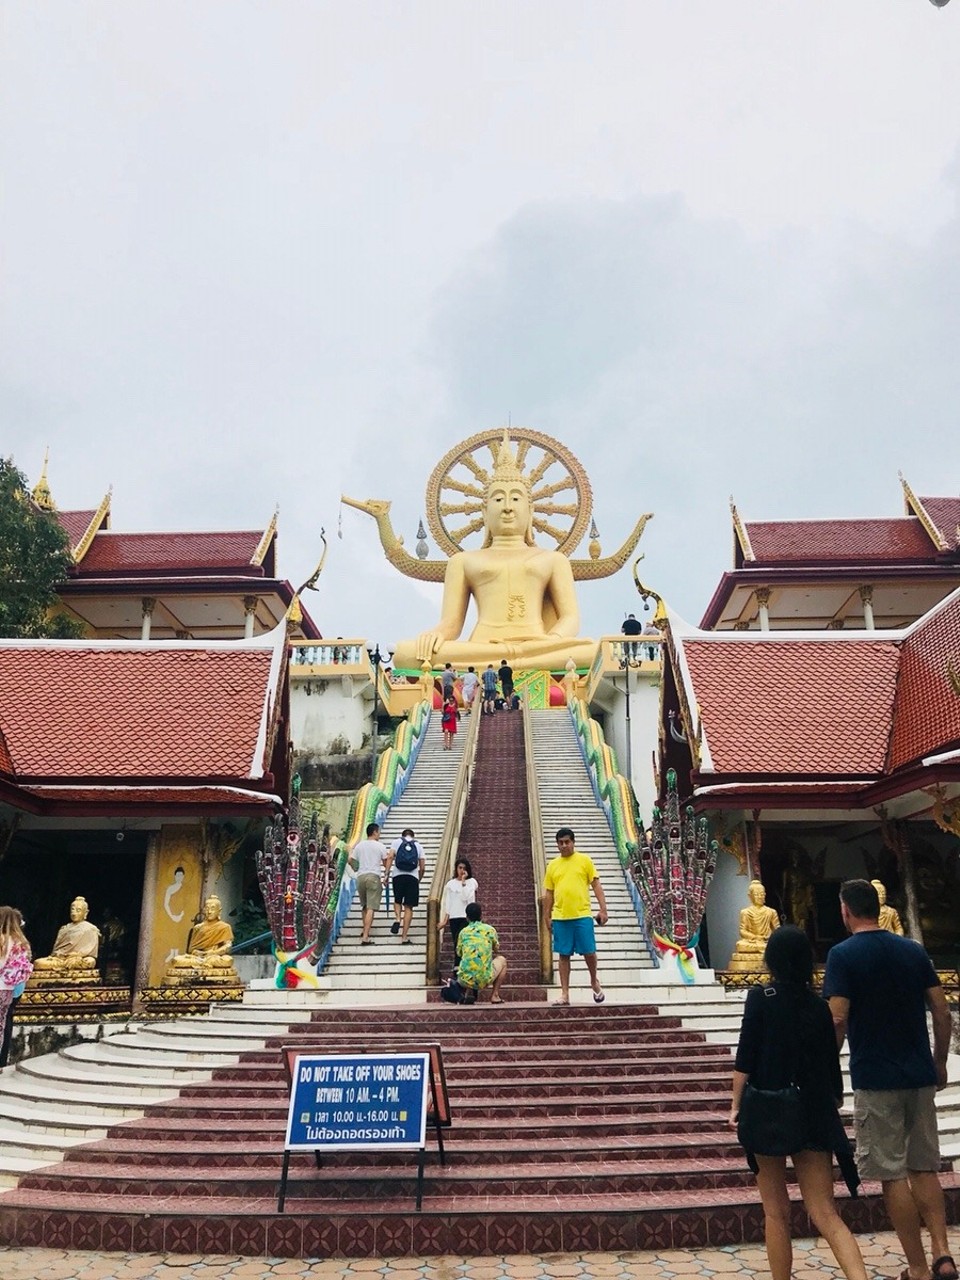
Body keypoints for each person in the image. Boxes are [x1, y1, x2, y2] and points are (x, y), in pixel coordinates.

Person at [825, 879, 956, 1280]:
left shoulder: (842, 955)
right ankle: (943, 1253)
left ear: (846, 911)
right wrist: (939, 1061)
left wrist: (828, 1066)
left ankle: (916, 1267)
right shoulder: (912, 951)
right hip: (918, 1073)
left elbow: (837, 1018)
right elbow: (941, 1010)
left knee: (891, 1173)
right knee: (924, 1167)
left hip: (876, 1076)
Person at [393, 431, 596, 672]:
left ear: (530, 511)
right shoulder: (463, 561)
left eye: (516, 499)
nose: (508, 508)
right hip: (482, 646)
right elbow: (452, 623)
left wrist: (553, 640)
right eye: (499, 500)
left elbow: (570, 618)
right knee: (405, 653)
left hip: (538, 644)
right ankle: (520, 662)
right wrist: (434, 635)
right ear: (484, 511)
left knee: (597, 651)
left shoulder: (553, 559)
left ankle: (518, 660)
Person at [730, 926, 867, 1280]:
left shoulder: (761, 998)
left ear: (771, 959)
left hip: (769, 1109)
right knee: (824, 1211)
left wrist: (735, 1104)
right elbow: (827, 1062)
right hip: (813, 1111)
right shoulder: (820, 1007)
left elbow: (746, 1058)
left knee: (776, 1212)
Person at [542, 826, 608, 1005]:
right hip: (561, 916)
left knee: (589, 951)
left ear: (573, 842)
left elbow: (596, 885)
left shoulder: (584, 860)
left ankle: (594, 980)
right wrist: (546, 916)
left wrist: (603, 909)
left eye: (567, 842)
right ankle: (565, 993)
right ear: (557, 844)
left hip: (582, 915)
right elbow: (549, 893)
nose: (564, 846)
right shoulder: (552, 866)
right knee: (563, 955)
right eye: (560, 843)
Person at [33, 896, 101, 974]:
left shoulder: (91, 929)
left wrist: (77, 956)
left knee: (90, 961)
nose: (74, 913)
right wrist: (60, 956)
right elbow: (55, 951)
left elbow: (92, 953)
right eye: (72, 909)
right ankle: (65, 966)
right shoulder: (64, 928)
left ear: (86, 913)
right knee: (38, 963)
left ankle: (66, 966)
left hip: (79, 959)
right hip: (60, 960)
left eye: (78, 910)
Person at [349, 822, 390, 945]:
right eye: (379, 832)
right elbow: (386, 861)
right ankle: (365, 937)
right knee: (371, 907)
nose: (379, 834)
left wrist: (356, 868)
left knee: (365, 906)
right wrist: (386, 875)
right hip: (373, 876)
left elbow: (350, 859)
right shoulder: (380, 846)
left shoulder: (360, 846)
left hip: (361, 877)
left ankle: (365, 930)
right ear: (375, 832)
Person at [456, 903, 507, 1004]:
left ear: (467, 917)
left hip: (463, 980)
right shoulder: (490, 930)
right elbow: (496, 949)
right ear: (481, 915)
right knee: (502, 960)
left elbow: (459, 953)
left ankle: (468, 993)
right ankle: (495, 995)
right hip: (484, 979)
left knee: (468, 961)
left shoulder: (463, 932)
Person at [0, 907, 32, 1069]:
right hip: (13, 989)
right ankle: (1, 1059)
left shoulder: (3, 940)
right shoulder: (22, 942)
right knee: (4, 1022)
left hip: (1, 986)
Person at [728, 880, 780, 971]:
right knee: (740, 945)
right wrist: (755, 937)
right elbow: (742, 931)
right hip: (753, 942)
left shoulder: (771, 912)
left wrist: (769, 937)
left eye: (762, 894)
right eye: (756, 894)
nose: (760, 897)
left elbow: (778, 930)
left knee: (775, 945)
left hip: (766, 941)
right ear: (750, 896)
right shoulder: (745, 912)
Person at [389, 826, 425, 945]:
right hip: (412, 877)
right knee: (409, 907)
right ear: (412, 836)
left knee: (397, 900)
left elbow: (390, 856)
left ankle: (398, 918)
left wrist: (386, 873)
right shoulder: (418, 845)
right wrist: (419, 878)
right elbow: (422, 866)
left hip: (397, 875)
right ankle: (404, 937)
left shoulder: (396, 842)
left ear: (403, 835)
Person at [438, 858, 479, 951]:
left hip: (467, 917)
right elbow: (448, 903)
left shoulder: (472, 882)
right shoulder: (450, 884)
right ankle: (457, 964)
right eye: (460, 868)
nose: (462, 870)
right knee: (456, 942)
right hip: (454, 916)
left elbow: (466, 897)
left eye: (464, 868)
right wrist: (445, 920)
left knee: (466, 942)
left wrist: (464, 882)